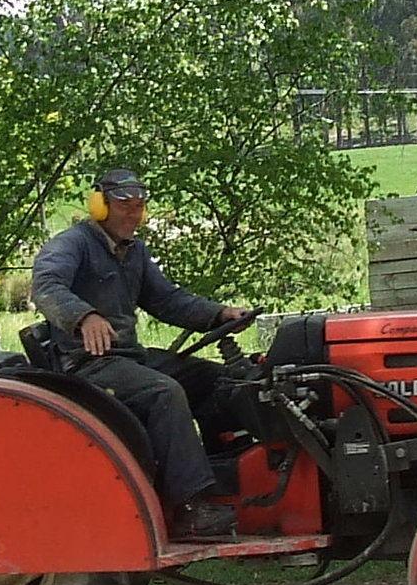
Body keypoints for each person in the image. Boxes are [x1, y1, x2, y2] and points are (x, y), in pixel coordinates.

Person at [30, 169, 254, 539]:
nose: (133, 215)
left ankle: (222, 478)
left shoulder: (134, 253)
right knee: (164, 392)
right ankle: (187, 508)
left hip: (128, 357)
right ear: (99, 205)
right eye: (123, 206)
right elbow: (46, 286)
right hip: (88, 364)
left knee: (216, 380)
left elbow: (166, 300)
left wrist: (218, 314)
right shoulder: (71, 245)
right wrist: (83, 317)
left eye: (139, 207)